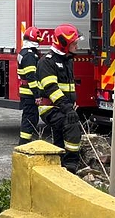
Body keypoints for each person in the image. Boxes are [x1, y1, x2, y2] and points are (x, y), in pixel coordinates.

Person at [37, 23, 84, 172]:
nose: (77, 46)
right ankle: (71, 165)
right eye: (74, 43)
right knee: (71, 125)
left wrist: (70, 104)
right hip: (50, 108)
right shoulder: (47, 62)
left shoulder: (67, 60)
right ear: (64, 44)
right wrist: (68, 108)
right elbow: (52, 89)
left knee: (60, 140)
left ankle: (59, 165)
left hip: (63, 106)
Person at [16, 27, 45, 144]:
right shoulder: (29, 56)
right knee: (30, 119)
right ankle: (24, 143)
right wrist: (37, 95)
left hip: (26, 92)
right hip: (30, 94)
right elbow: (31, 77)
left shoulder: (24, 53)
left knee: (29, 118)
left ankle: (25, 141)